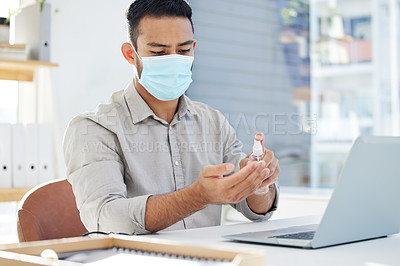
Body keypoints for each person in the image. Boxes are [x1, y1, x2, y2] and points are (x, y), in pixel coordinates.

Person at [63, 0, 280, 235]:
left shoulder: (213, 122)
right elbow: (106, 219)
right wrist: (196, 197)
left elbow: (256, 210)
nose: (174, 60)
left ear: (193, 48)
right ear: (130, 54)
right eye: (159, 52)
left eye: (184, 50)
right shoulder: (94, 129)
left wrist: (258, 183)